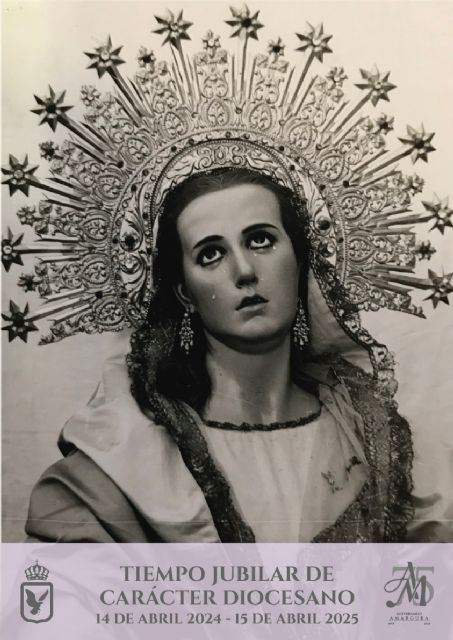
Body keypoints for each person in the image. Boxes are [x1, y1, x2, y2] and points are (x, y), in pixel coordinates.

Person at [24, 168, 452, 543]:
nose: (244, 271)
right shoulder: (123, 456)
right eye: (211, 254)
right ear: (185, 293)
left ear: (299, 262)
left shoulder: (380, 441)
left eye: (261, 240)